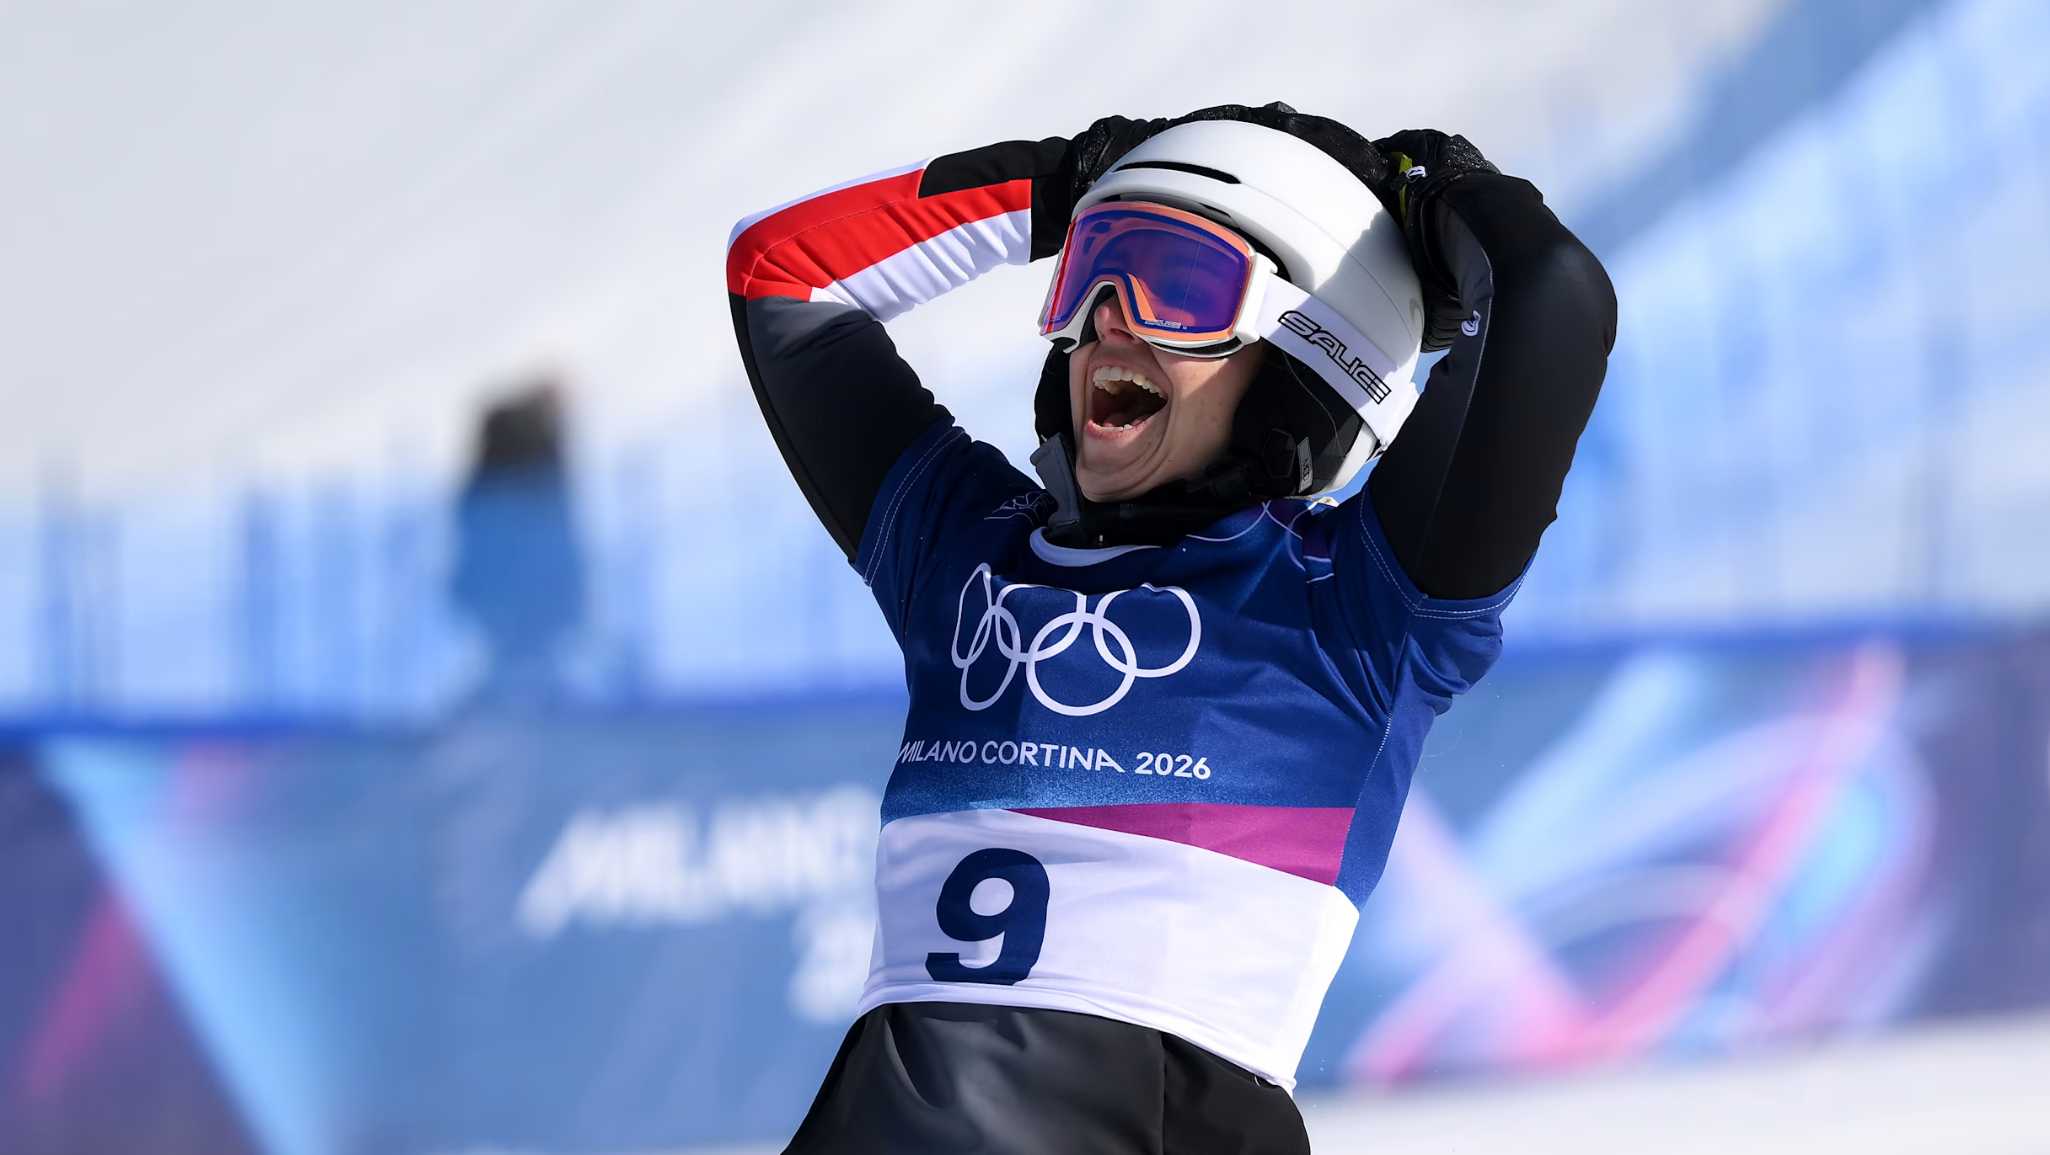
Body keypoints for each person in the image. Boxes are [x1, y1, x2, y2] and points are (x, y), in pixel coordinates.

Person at [726, 102, 1615, 1153]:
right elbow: (780, 272)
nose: (1108, 314)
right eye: (1096, 266)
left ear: (1306, 363)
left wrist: (1447, 194)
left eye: (1176, 285)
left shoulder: (1355, 610)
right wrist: (1063, 184)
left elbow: (1548, 301)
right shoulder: (963, 551)